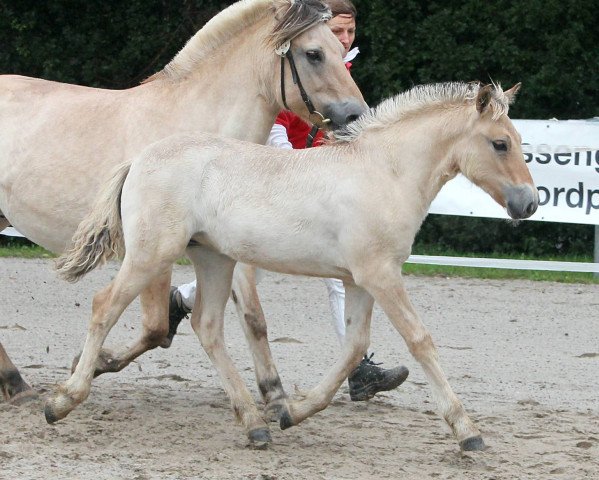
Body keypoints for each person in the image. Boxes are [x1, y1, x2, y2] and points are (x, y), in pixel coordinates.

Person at [168, 0, 409, 401]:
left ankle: (358, 368)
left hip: (314, 175)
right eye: (338, 33)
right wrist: (294, 166)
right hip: (285, 171)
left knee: (338, 272)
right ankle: (183, 299)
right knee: (252, 268)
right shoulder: (300, 61)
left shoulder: (339, 67)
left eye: (350, 32)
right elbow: (275, 119)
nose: (345, 40)